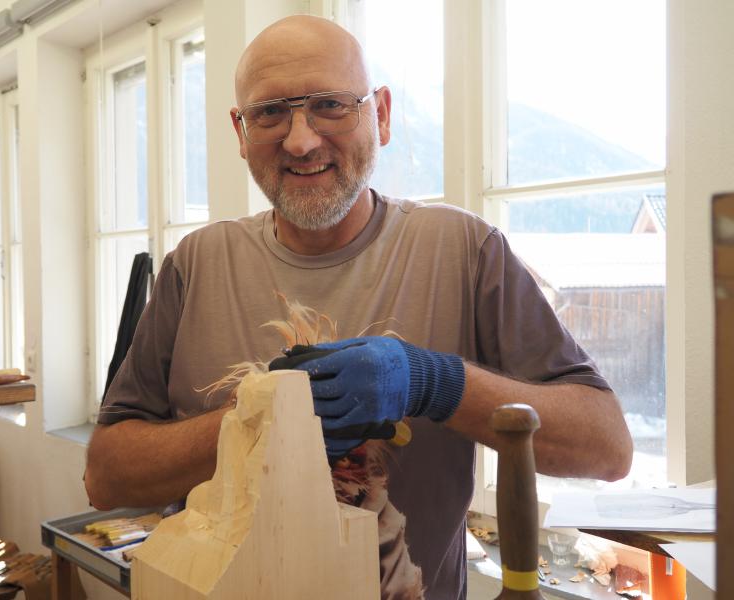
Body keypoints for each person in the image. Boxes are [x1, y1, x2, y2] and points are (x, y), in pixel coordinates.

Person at [84, 15, 633, 599]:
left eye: (330, 105)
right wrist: (252, 422)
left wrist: (435, 383)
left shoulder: (463, 251)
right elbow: (105, 477)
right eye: (270, 113)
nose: (300, 140)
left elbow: (607, 448)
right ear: (241, 132)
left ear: (382, 115)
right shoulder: (196, 265)